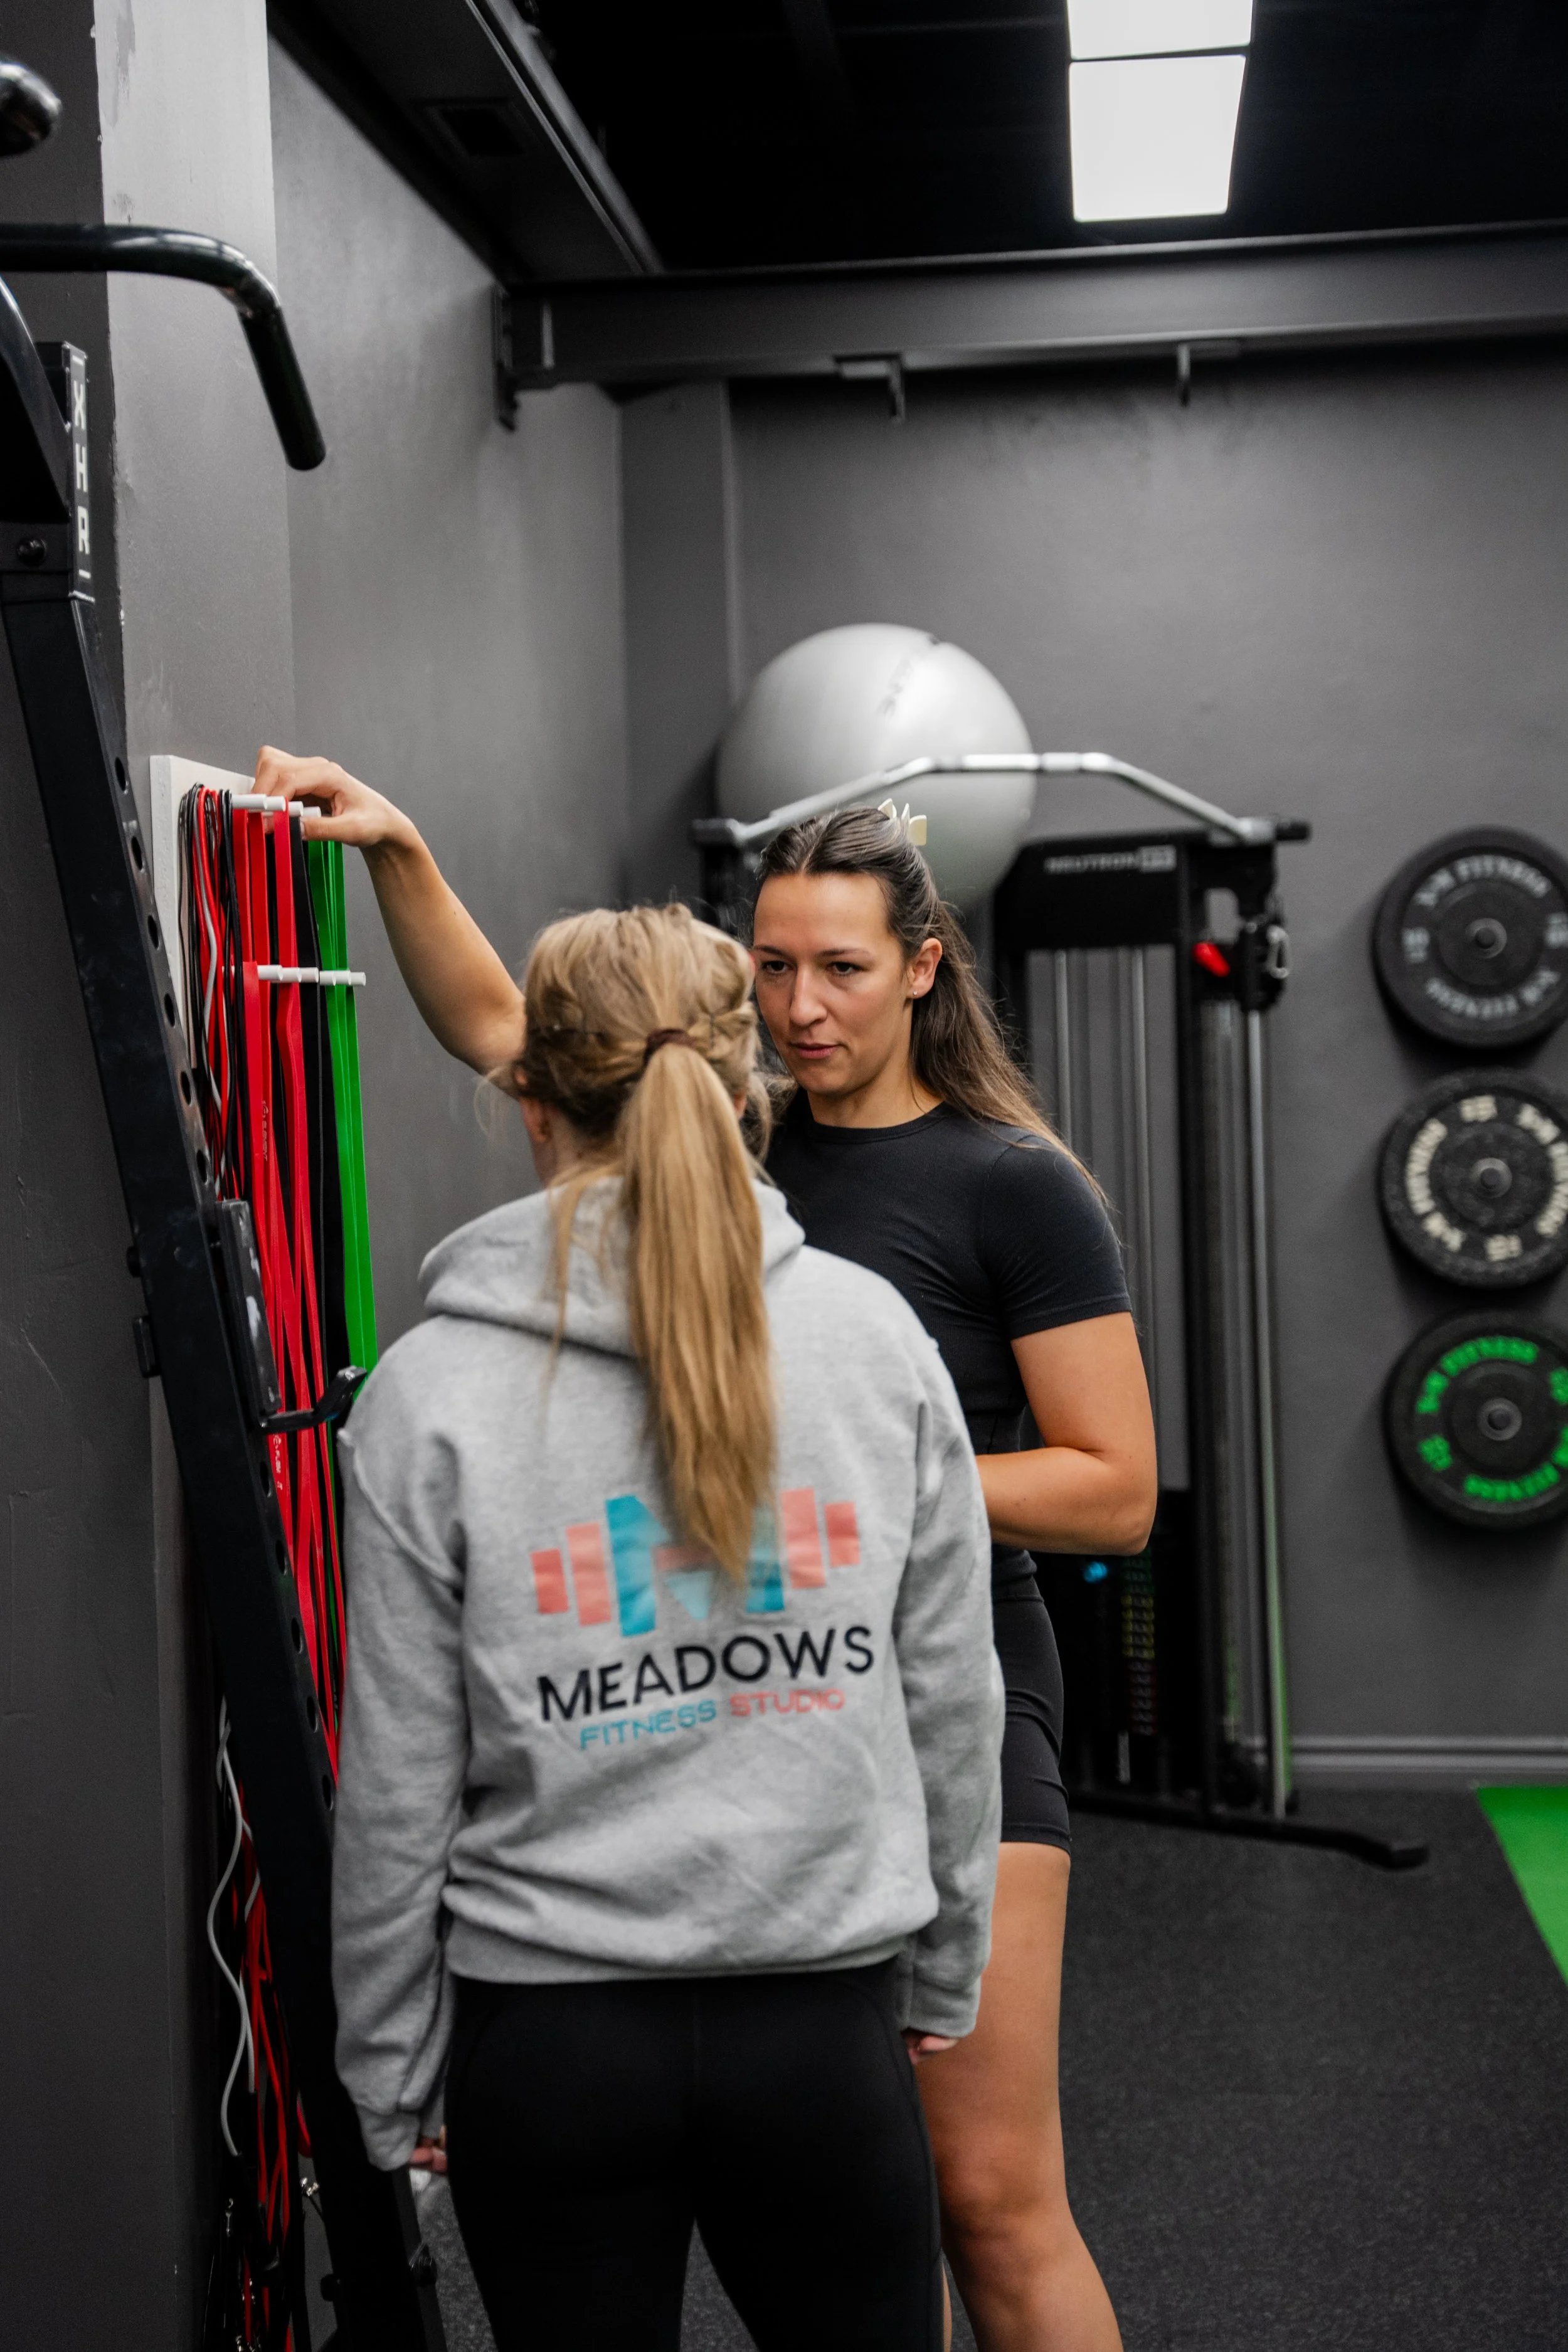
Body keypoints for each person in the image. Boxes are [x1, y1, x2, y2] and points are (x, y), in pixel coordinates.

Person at [260, 746, 1157, 2351]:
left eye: (845, 969)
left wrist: (881, 1487)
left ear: (922, 972)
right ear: (724, 1021)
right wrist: (399, 849)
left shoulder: (1006, 1190)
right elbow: (513, 1037)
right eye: (775, 969)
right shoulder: (717, 1129)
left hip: (927, 1680)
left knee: (994, 2194)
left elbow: (1115, 1493)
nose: (807, 1005)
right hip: (729, 1692)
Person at [329, 896, 1005, 2352]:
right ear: (743, 1076)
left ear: (529, 1096)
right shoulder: (874, 1336)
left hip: (548, 2050)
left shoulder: (425, 1393)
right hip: (822, 2034)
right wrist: (948, 1959)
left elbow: (395, 1779)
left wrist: (390, 2068)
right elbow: (950, 1689)